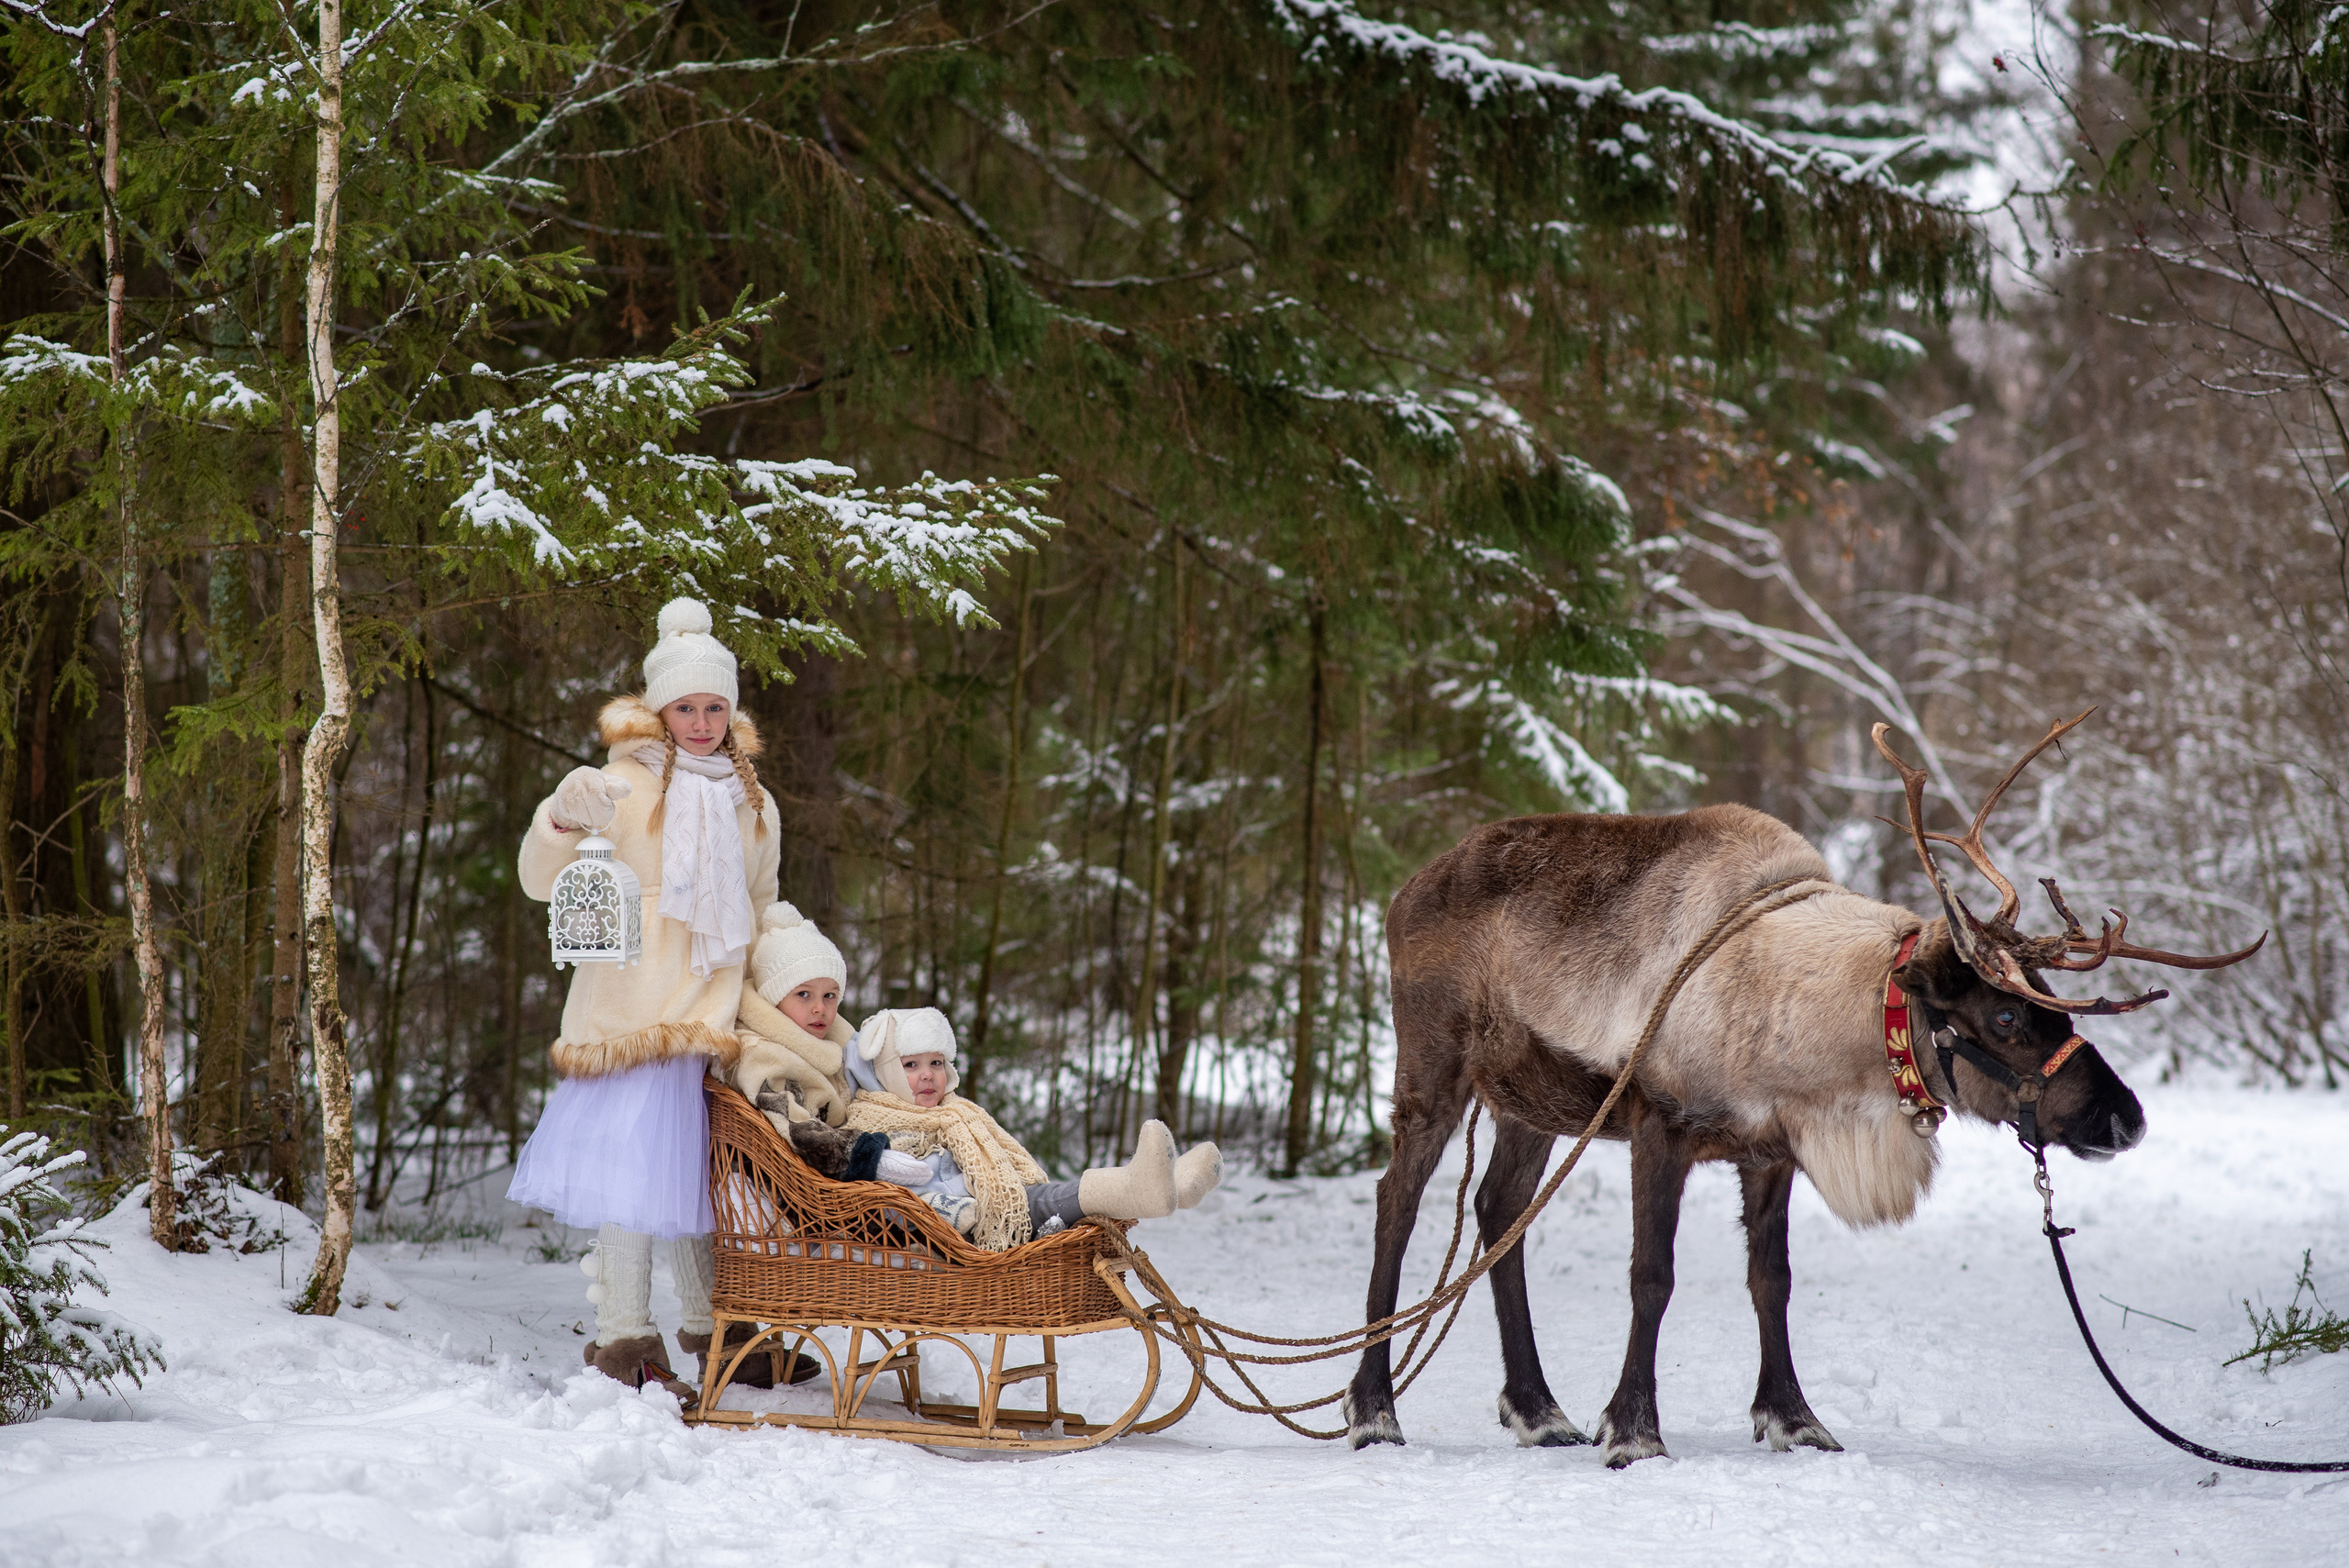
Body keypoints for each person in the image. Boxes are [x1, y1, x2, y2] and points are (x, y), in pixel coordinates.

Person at [507, 597, 778, 1393]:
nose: (700, 721)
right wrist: (561, 818)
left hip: (711, 1017)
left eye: (714, 706)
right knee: (636, 1179)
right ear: (660, 709)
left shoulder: (753, 801)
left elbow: (760, 910)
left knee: (698, 1181)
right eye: (685, 706)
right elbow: (539, 880)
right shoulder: (615, 786)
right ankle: (626, 1338)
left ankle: (718, 1329)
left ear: (731, 710)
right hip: (628, 1015)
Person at [785, 1006, 1222, 1251]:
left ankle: (1170, 1190)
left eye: (936, 1063)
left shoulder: (960, 1113)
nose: (927, 1076)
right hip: (955, 1227)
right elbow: (879, 1186)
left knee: (1049, 1200)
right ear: (883, 1072)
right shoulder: (870, 1120)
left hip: (990, 1205)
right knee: (1049, 1199)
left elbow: (1001, 1172)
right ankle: (1141, 1189)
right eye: (912, 1065)